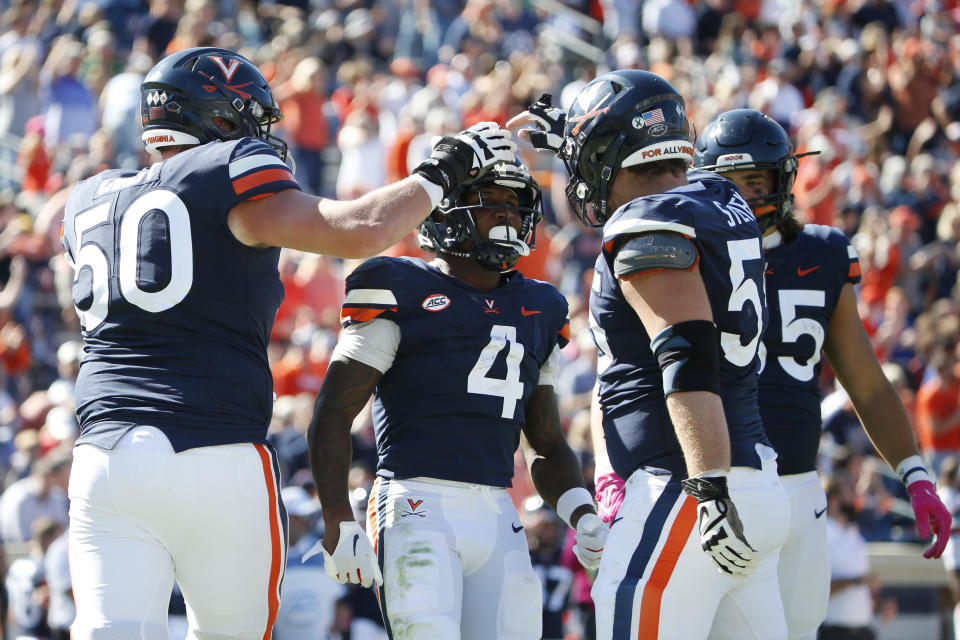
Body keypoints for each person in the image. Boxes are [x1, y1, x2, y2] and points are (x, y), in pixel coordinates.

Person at [60, 46, 518, 639]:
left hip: (103, 456)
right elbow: (361, 230)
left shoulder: (87, 198)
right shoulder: (227, 168)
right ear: (221, 119)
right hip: (215, 448)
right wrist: (442, 171)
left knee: (108, 631)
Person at [511, 72, 789, 639]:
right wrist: (571, 135)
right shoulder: (722, 196)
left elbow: (686, 354)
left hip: (686, 490)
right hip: (759, 484)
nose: (581, 176)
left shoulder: (646, 224)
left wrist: (706, 485)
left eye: (588, 159)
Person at [306, 155, 607, 639]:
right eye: (490, 202)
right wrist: (338, 517)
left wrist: (581, 511)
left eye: (515, 204)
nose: (507, 215)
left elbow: (547, 442)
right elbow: (334, 411)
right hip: (414, 501)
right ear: (444, 213)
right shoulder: (399, 286)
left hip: (496, 509)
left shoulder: (541, 307)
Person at [692, 109, 950, 640]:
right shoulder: (686, 253)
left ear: (784, 180)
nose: (743, 196)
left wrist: (915, 475)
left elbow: (868, 381)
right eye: (730, 183)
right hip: (719, 485)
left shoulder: (822, 252)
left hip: (797, 484)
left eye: (755, 180)